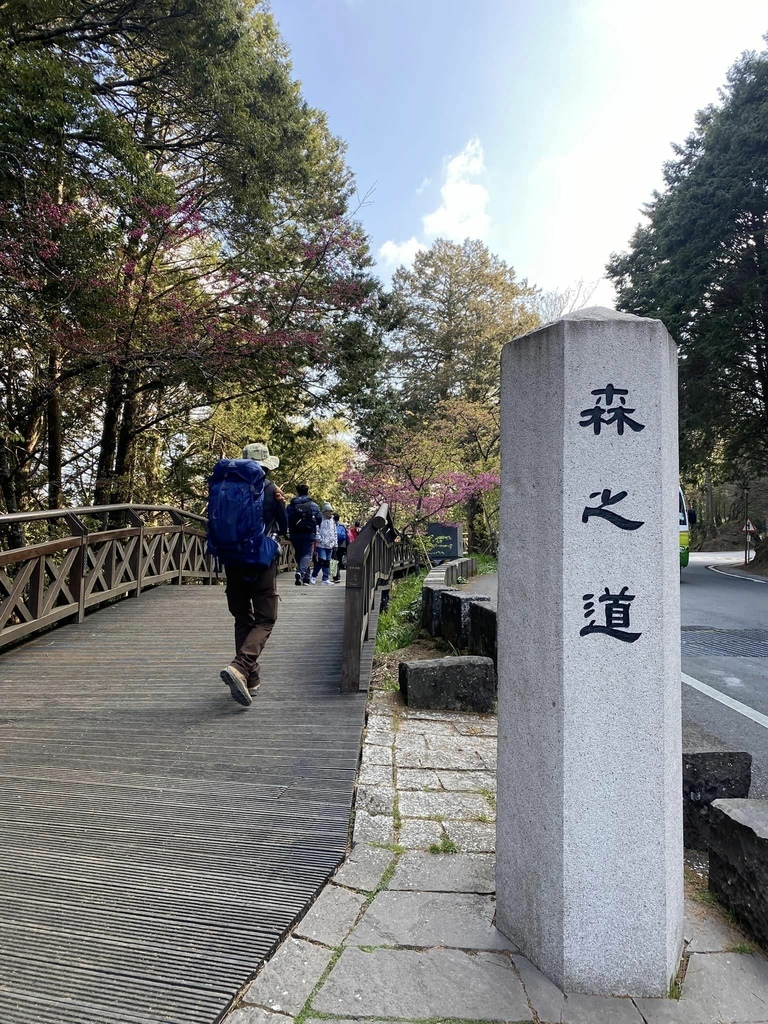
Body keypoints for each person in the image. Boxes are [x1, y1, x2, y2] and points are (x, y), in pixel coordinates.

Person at [220, 442, 288, 707]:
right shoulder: (271, 490)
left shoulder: (225, 489)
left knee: (242, 618)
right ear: (265, 466)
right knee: (266, 618)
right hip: (260, 559)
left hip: (231, 559)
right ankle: (241, 665)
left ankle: (250, 677)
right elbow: (284, 526)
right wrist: (280, 504)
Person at [287, 483, 321, 585]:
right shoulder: (313, 505)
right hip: (309, 533)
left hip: (295, 533)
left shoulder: (292, 506)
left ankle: (306, 578)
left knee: (299, 554)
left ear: (297, 492)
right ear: (307, 491)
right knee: (306, 555)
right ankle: (301, 572)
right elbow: (319, 518)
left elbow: (286, 518)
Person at [311, 503, 337, 585]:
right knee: (322, 560)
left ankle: (325, 579)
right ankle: (314, 575)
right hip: (321, 544)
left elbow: (334, 532)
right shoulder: (320, 520)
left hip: (330, 544)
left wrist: (335, 544)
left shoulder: (332, 521)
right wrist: (320, 539)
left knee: (327, 562)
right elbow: (316, 530)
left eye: (331, 511)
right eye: (329, 511)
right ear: (324, 512)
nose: (331, 513)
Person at [332, 513, 348, 583]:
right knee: (338, 559)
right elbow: (347, 537)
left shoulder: (331, 525)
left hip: (334, 544)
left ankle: (336, 577)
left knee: (333, 559)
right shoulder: (343, 526)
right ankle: (337, 575)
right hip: (342, 545)